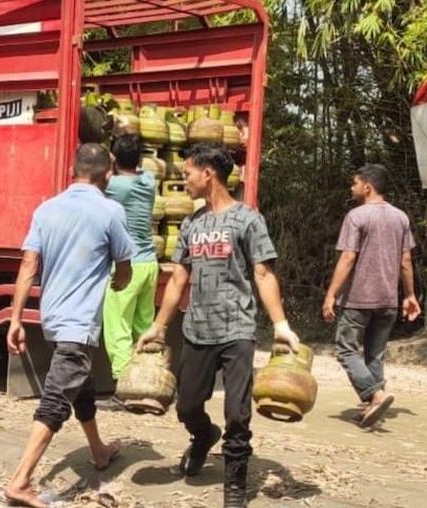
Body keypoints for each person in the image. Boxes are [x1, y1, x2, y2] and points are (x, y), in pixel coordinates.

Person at [136, 143, 301, 508]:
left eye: (188, 174)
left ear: (208, 173)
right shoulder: (192, 223)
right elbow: (179, 279)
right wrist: (159, 327)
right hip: (197, 328)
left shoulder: (248, 219)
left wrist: (281, 325)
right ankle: (203, 435)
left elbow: (263, 272)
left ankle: (235, 488)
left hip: (237, 329)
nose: (184, 181)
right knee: (187, 406)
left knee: (237, 415)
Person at [5, 143, 135, 508]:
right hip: (79, 325)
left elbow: (28, 266)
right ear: (107, 174)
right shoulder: (110, 211)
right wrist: (120, 282)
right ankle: (20, 481)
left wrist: (15, 319)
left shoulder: (46, 209)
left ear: (72, 171)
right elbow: (125, 266)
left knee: (82, 386)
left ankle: (98, 451)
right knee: (56, 401)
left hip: (53, 320)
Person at [322, 163, 420, 428]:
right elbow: (406, 260)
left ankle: (375, 394)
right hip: (388, 299)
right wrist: (409, 295)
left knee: (345, 350)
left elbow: (347, 257)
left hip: (358, 299)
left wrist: (331, 294)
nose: (351, 188)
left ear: (367, 187)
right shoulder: (400, 217)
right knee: (374, 355)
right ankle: (371, 408)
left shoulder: (357, 216)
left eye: (354, 183)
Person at [102, 134, 159, 382]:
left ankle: (123, 380)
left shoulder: (114, 186)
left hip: (127, 266)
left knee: (118, 326)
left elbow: (96, 180)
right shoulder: (149, 181)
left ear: (114, 158)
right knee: (144, 326)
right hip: (149, 264)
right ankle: (149, 378)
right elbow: (142, 170)